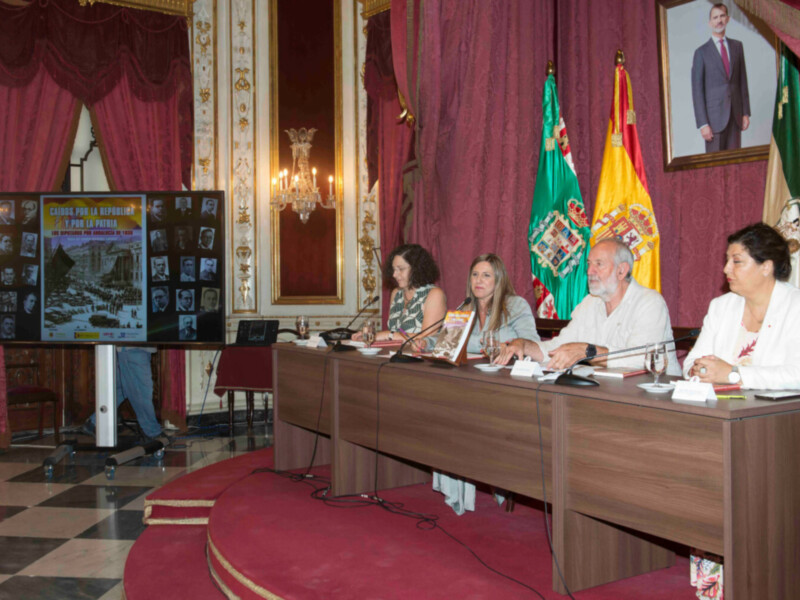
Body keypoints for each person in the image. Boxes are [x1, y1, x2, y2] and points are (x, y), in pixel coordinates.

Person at [683, 223, 799, 599]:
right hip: (718, 424)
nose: (725, 270)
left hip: (776, 430)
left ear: (766, 267)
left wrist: (733, 374)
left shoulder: (795, 307)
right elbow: (691, 364)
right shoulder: (722, 306)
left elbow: (795, 374)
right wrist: (702, 369)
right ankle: (713, 590)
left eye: (737, 261)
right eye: (726, 261)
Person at [432, 254, 538, 516]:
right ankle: (459, 480)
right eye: (475, 275)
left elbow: (532, 342)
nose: (479, 280)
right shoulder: (465, 308)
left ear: (499, 279)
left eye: (486, 275)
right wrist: (423, 342)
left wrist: (514, 344)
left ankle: (491, 474)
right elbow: (445, 343)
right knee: (441, 406)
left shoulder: (515, 305)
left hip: (506, 389)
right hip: (470, 385)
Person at [497, 238, 680, 374]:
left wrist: (588, 351)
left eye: (599, 264)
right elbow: (560, 347)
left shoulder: (649, 302)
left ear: (621, 270)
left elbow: (641, 359)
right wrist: (524, 345)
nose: (589, 271)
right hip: (604, 393)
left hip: (654, 397)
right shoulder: (590, 302)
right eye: (589, 264)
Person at [351, 243, 446, 343]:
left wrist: (388, 335)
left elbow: (426, 337)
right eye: (394, 269)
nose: (394, 275)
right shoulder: (396, 293)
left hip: (418, 357)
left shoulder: (434, 294)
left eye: (400, 269)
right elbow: (395, 333)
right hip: (393, 355)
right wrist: (371, 336)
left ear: (417, 268)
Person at [691, 3, 750, 153]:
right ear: (710, 23)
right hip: (713, 120)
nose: (719, 20)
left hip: (735, 117)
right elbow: (697, 91)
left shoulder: (738, 47)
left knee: (735, 165)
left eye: (722, 16)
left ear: (728, 19)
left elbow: (742, 81)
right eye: (715, 17)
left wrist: (745, 113)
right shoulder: (701, 53)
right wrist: (703, 123)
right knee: (715, 170)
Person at [81, 347, 167, 444]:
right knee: (140, 390)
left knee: (121, 390)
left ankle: (94, 423)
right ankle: (151, 432)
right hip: (133, 347)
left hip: (133, 347)